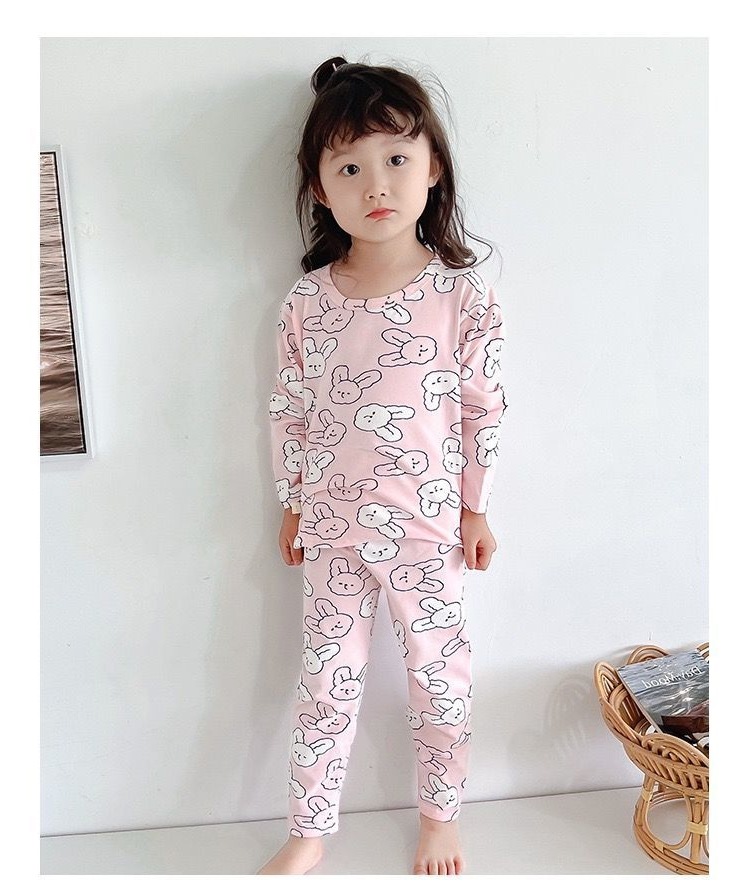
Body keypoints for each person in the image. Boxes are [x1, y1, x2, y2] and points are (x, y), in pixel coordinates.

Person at [260, 55, 508, 876]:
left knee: (440, 680)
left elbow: (482, 407)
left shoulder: (461, 295)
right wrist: (293, 500)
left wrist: (476, 506)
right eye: (349, 167)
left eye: (397, 158)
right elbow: (290, 409)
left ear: (432, 166)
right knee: (325, 683)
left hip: (429, 529)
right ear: (320, 188)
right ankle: (309, 828)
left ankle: (441, 816)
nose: (376, 183)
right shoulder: (307, 303)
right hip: (333, 530)